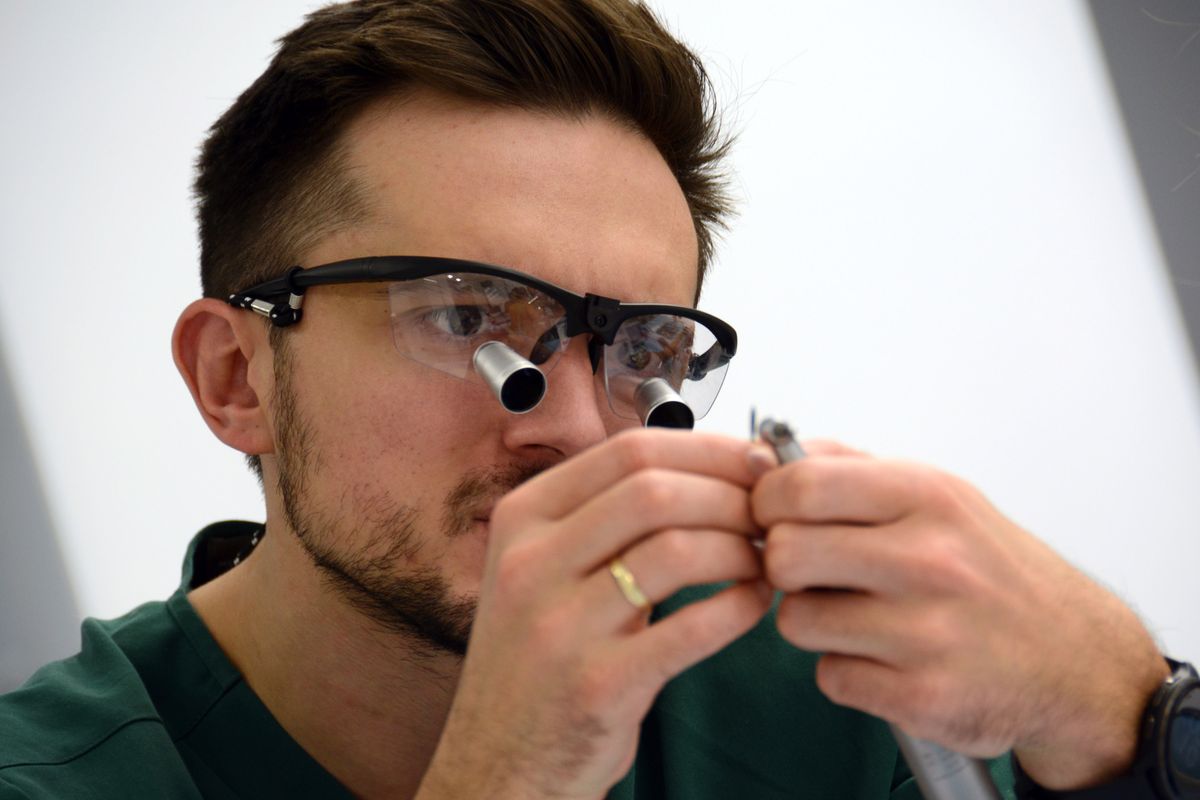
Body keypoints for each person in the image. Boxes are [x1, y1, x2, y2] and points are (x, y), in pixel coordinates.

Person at [0, 1, 1190, 798]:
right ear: (235, 376)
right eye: (462, 318)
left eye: (640, 347)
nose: (575, 427)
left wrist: (1123, 708)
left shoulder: (821, 691)